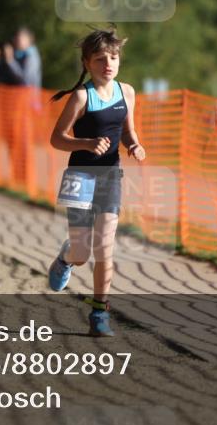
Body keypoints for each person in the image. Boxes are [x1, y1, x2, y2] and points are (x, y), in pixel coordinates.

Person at [46, 28, 145, 337]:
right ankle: (66, 257)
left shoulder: (126, 92)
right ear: (87, 62)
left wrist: (134, 145)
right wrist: (87, 144)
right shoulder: (81, 96)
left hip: (110, 176)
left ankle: (99, 312)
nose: (108, 64)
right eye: (100, 59)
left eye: (113, 57)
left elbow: (127, 130)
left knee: (104, 246)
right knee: (81, 251)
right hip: (79, 177)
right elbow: (57, 139)